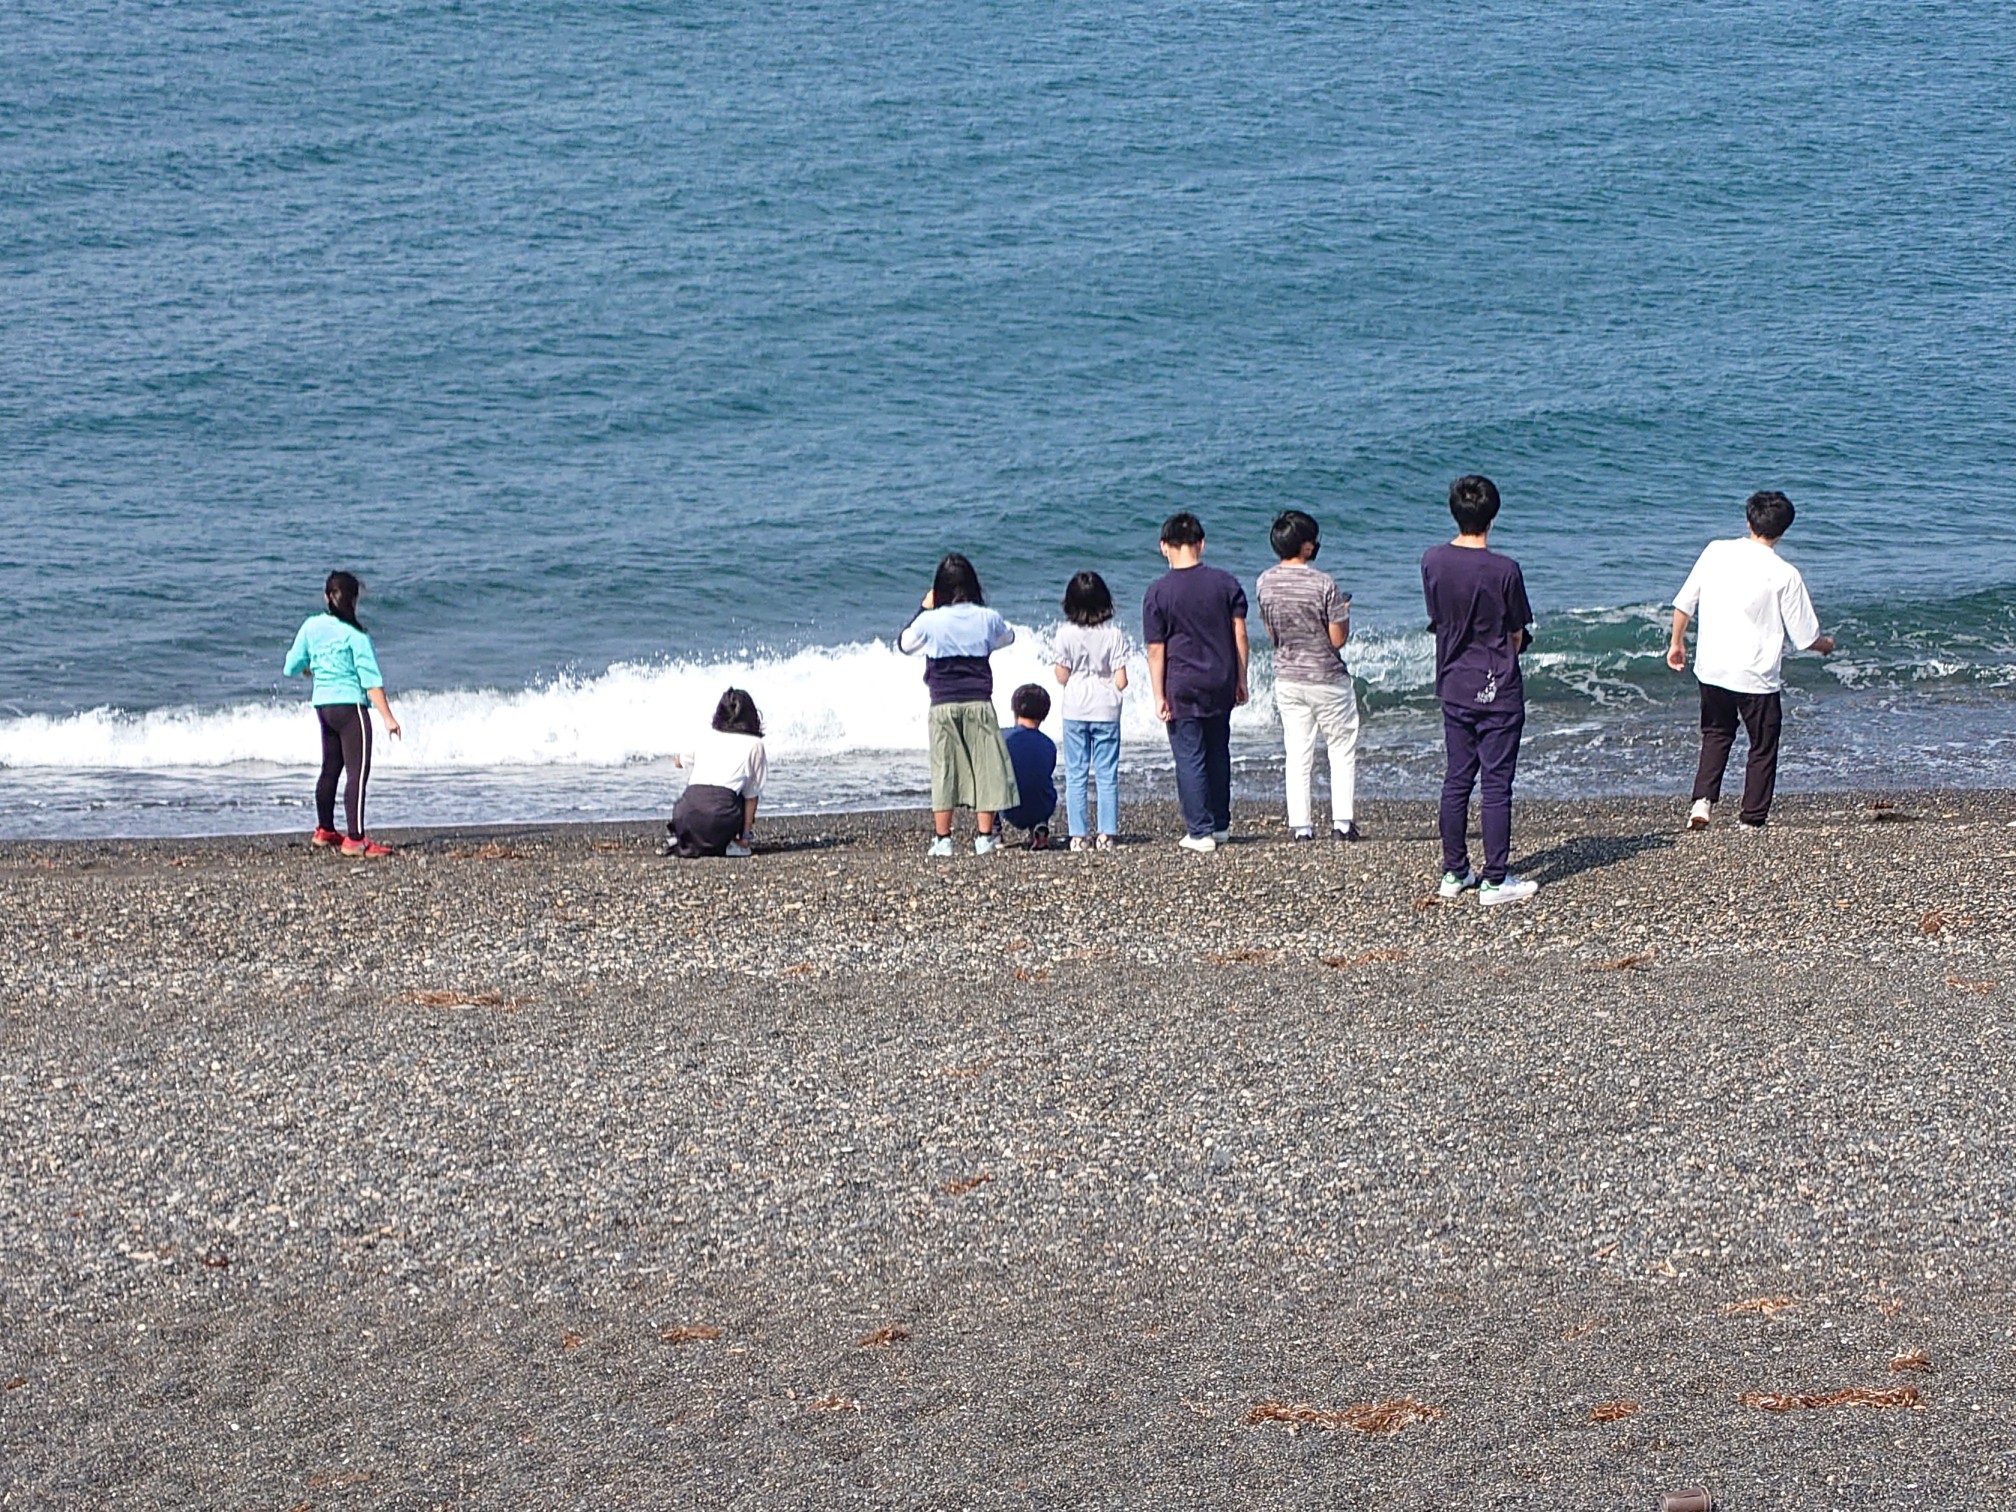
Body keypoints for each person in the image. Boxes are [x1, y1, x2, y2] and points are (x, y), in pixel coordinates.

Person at [1666, 491, 1835, 831]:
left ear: (1748, 521)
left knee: (1716, 733)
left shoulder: (1716, 551)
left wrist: (1676, 642)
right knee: (1762, 744)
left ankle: (1702, 803)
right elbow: (1805, 638)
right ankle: (1752, 818)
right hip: (1756, 675)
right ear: (1783, 531)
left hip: (1712, 667)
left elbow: (1685, 602)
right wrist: (1826, 645)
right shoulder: (1784, 573)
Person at [1422, 477, 1538, 904]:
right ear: (1492, 516)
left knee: (1457, 777)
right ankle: (1494, 878)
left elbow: (1438, 615)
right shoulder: (1504, 569)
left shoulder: (1433, 560)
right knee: (1495, 783)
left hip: (1454, 681)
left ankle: (1454, 871)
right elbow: (1515, 633)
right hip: (1497, 685)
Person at [898, 553, 1019, 857]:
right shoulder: (986, 617)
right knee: (985, 768)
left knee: (945, 769)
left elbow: (904, 644)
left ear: (939, 588)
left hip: (943, 703)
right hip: (979, 700)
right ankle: (983, 837)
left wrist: (923, 607)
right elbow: (1009, 637)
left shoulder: (930, 620)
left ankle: (943, 839)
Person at [1143, 512, 1249, 853]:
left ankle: (1199, 830)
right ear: (1201, 544)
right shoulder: (1225, 583)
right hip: (1220, 677)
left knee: (1189, 755)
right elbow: (1240, 634)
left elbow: (1156, 650)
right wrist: (1242, 677)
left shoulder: (1158, 592)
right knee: (1218, 751)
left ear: (1164, 547)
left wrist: (1158, 694)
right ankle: (1220, 824)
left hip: (1182, 682)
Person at [1256, 510, 1361, 843]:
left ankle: (1301, 826)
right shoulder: (1323, 583)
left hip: (1288, 675)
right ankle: (1342, 823)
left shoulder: (1265, 582)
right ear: (1304, 546)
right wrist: (1344, 614)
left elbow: (1272, 633)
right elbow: (1337, 639)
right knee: (1340, 748)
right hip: (1326, 676)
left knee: (1298, 752)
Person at [284, 571, 402, 858]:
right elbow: (371, 681)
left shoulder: (311, 627)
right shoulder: (356, 635)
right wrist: (388, 717)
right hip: (351, 710)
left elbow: (290, 665)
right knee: (357, 774)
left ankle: (324, 830)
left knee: (330, 768)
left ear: (326, 597)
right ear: (354, 601)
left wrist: (311, 666)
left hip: (323, 707)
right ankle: (356, 839)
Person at [1051, 570, 1129, 851]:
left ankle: (1078, 835)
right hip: (1106, 709)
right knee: (1107, 773)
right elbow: (1121, 680)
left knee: (1076, 773)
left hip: (1075, 707)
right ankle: (1106, 833)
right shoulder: (1114, 634)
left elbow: (1061, 676)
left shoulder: (1065, 634)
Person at [667, 688, 767, 858]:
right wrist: (746, 837)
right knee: (742, 794)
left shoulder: (705, 736)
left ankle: (690, 839)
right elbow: (752, 796)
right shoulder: (754, 744)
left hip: (683, 814)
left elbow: (679, 762)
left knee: (700, 791)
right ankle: (734, 843)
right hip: (720, 816)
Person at [998, 684, 1059, 849]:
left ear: (1015, 709)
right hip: (1042, 805)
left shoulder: (1001, 737)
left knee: (991, 779)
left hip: (1009, 806)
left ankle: (993, 832)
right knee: (1038, 783)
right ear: (1044, 715)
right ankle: (1039, 826)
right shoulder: (1049, 744)